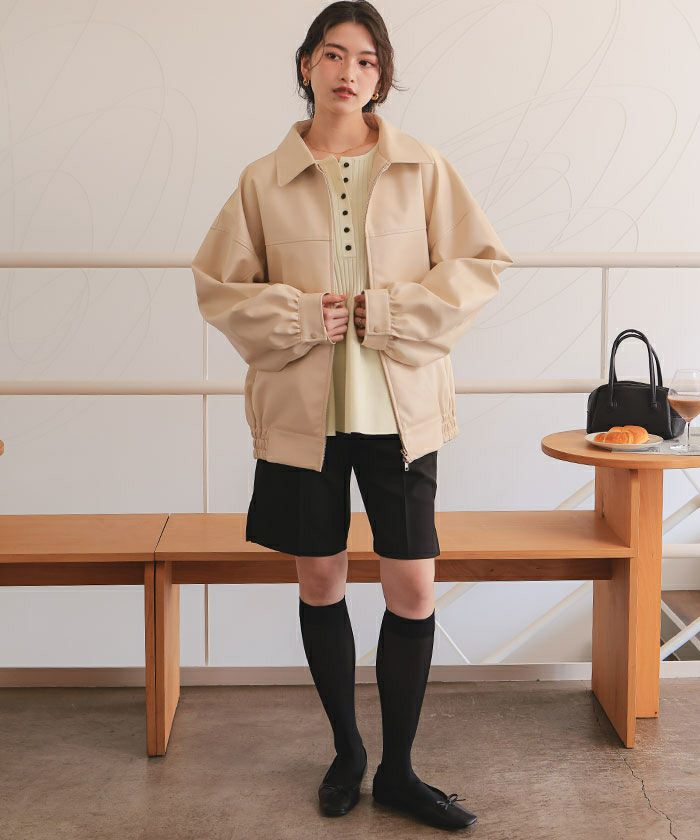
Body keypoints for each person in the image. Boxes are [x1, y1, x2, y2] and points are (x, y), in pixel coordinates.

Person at [191, 0, 513, 830]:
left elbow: (479, 265)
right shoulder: (262, 180)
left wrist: (394, 312)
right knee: (320, 578)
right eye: (334, 55)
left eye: (367, 60)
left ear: (382, 76)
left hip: (400, 412)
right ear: (306, 65)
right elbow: (218, 287)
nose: (349, 72)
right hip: (304, 416)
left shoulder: (421, 167)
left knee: (413, 584)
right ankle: (347, 751)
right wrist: (300, 317)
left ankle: (400, 770)